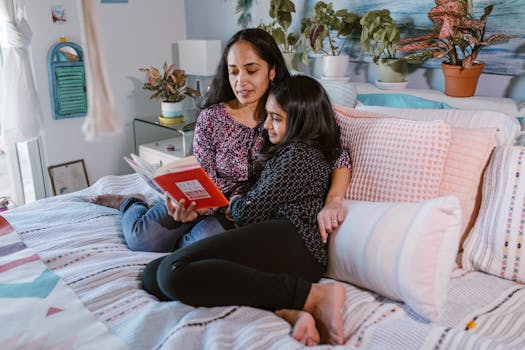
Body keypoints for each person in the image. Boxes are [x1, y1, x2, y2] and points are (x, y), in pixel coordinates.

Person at [91, 28, 350, 252]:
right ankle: (131, 202)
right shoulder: (211, 117)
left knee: (200, 245)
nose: (241, 81)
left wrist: (334, 201)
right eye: (233, 72)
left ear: (272, 70)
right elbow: (202, 174)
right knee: (141, 240)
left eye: (251, 70)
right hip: (199, 204)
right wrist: (191, 208)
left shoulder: (289, 111)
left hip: (235, 213)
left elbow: (336, 153)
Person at [142, 75, 347, 345]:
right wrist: (239, 202)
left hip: (296, 243)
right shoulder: (287, 152)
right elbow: (250, 207)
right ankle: (287, 310)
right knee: (152, 275)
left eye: (276, 118)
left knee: (172, 271)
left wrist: (237, 202)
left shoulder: (300, 156)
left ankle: (315, 296)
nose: (266, 126)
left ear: (301, 121)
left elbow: (246, 212)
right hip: (277, 242)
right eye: (268, 116)